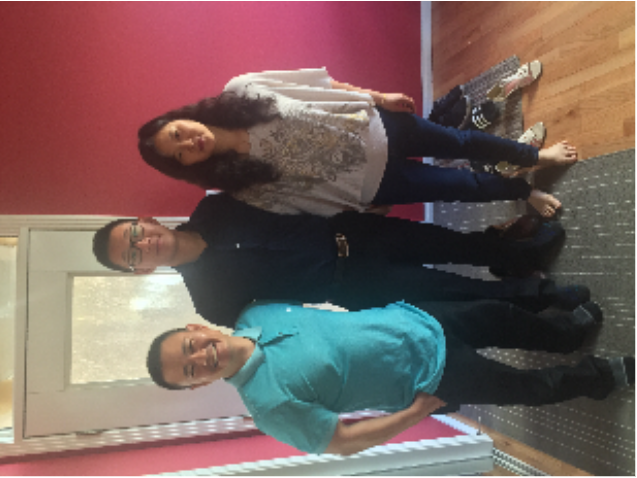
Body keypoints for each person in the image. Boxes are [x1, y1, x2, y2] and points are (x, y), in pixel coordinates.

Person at [146, 300, 634, 455]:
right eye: (190, 371)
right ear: (198, 385)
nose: (201, 358)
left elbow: (325, 316)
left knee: (503, 316)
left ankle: (568, 332)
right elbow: (342, 442)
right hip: (431, 377)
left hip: (417, 319)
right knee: (523, 387)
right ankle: (599, 377)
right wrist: (414, 414)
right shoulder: (269, 408)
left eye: (190, 348)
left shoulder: (257, 313)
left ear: (196, 330)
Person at [93, 193, 586, 329]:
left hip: (353, 231)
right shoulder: (210, 303)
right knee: (452, 290)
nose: (144, 245)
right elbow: (284, 322)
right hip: (350, 285)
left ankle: (520, 254)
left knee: (449, 243)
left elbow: (292, 197)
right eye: (132, 255)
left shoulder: (216, 206)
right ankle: (537, 296)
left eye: (135, 235)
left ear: (145, 220)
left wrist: (357, 203)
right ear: (140, 271)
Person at [137, 68, 578, 218]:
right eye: (179, 155)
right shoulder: (237, 185)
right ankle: (524, 191)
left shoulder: (242, 88)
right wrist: (358, 209)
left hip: (380, 126)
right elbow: (300, 204)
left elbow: (321, 86)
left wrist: (378, 97)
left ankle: (535, 155)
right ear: (185, 166)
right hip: (375, 184)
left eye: (177, 134)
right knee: (460, 187)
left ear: (180, 118)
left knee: (462, 142)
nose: (188, 143)